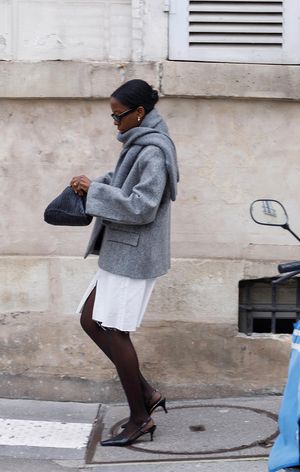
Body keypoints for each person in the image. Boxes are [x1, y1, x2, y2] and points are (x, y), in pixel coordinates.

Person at [70, 79, 179, 447]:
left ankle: (139, 418)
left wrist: (96, 193)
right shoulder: (139, 142)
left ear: (139, 113)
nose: (114, 123)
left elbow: (142, 206)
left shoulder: (152, 151)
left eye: (118, 117)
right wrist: (95, 184)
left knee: (115, 331)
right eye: (111, 116)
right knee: (90, 319)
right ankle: (146, 394)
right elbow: (124, 183)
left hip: (133, 254)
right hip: (121, 250)